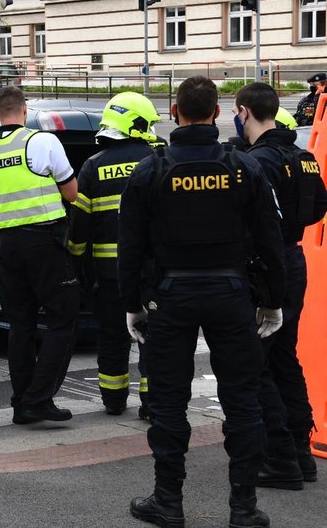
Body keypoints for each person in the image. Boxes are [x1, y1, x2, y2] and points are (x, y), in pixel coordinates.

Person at [120, 76, 286, 528]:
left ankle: (168, 502)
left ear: (174, 113)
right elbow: (272, 240)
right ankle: (244, 507)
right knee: (243, 401)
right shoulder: (244, 167)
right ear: (217, 113)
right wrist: (273, 301)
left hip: (170, 297)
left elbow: (129, 247)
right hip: (231, 294)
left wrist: (132, 304)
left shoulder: (151, 169)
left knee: (169, 404)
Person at [234, 82, 327, 490]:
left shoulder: (257, 161)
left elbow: (248, 221)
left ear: (243, 112)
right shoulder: (303, 157)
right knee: (285, 359)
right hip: (294, 260)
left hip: (265, 267)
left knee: (258, 364)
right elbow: (319, 208)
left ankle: (279, 458)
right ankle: (301, 453)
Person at [0, 86, 80, 425]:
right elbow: (72, 192)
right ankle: (38, 398)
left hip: (9, 246)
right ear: (25, 109)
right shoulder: (42, 142)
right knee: (62, 319)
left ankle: (21, 402)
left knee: (19, 326)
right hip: (45, 242)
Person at [67, 92, 160, 418]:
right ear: (136, 122)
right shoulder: (158, 159)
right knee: (152, 337)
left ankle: (114, 400)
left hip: (110, 275)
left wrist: (77, 261)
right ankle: (151, 403)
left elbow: (80, 226)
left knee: (112, 337)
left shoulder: (93, 166)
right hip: (153, 270)